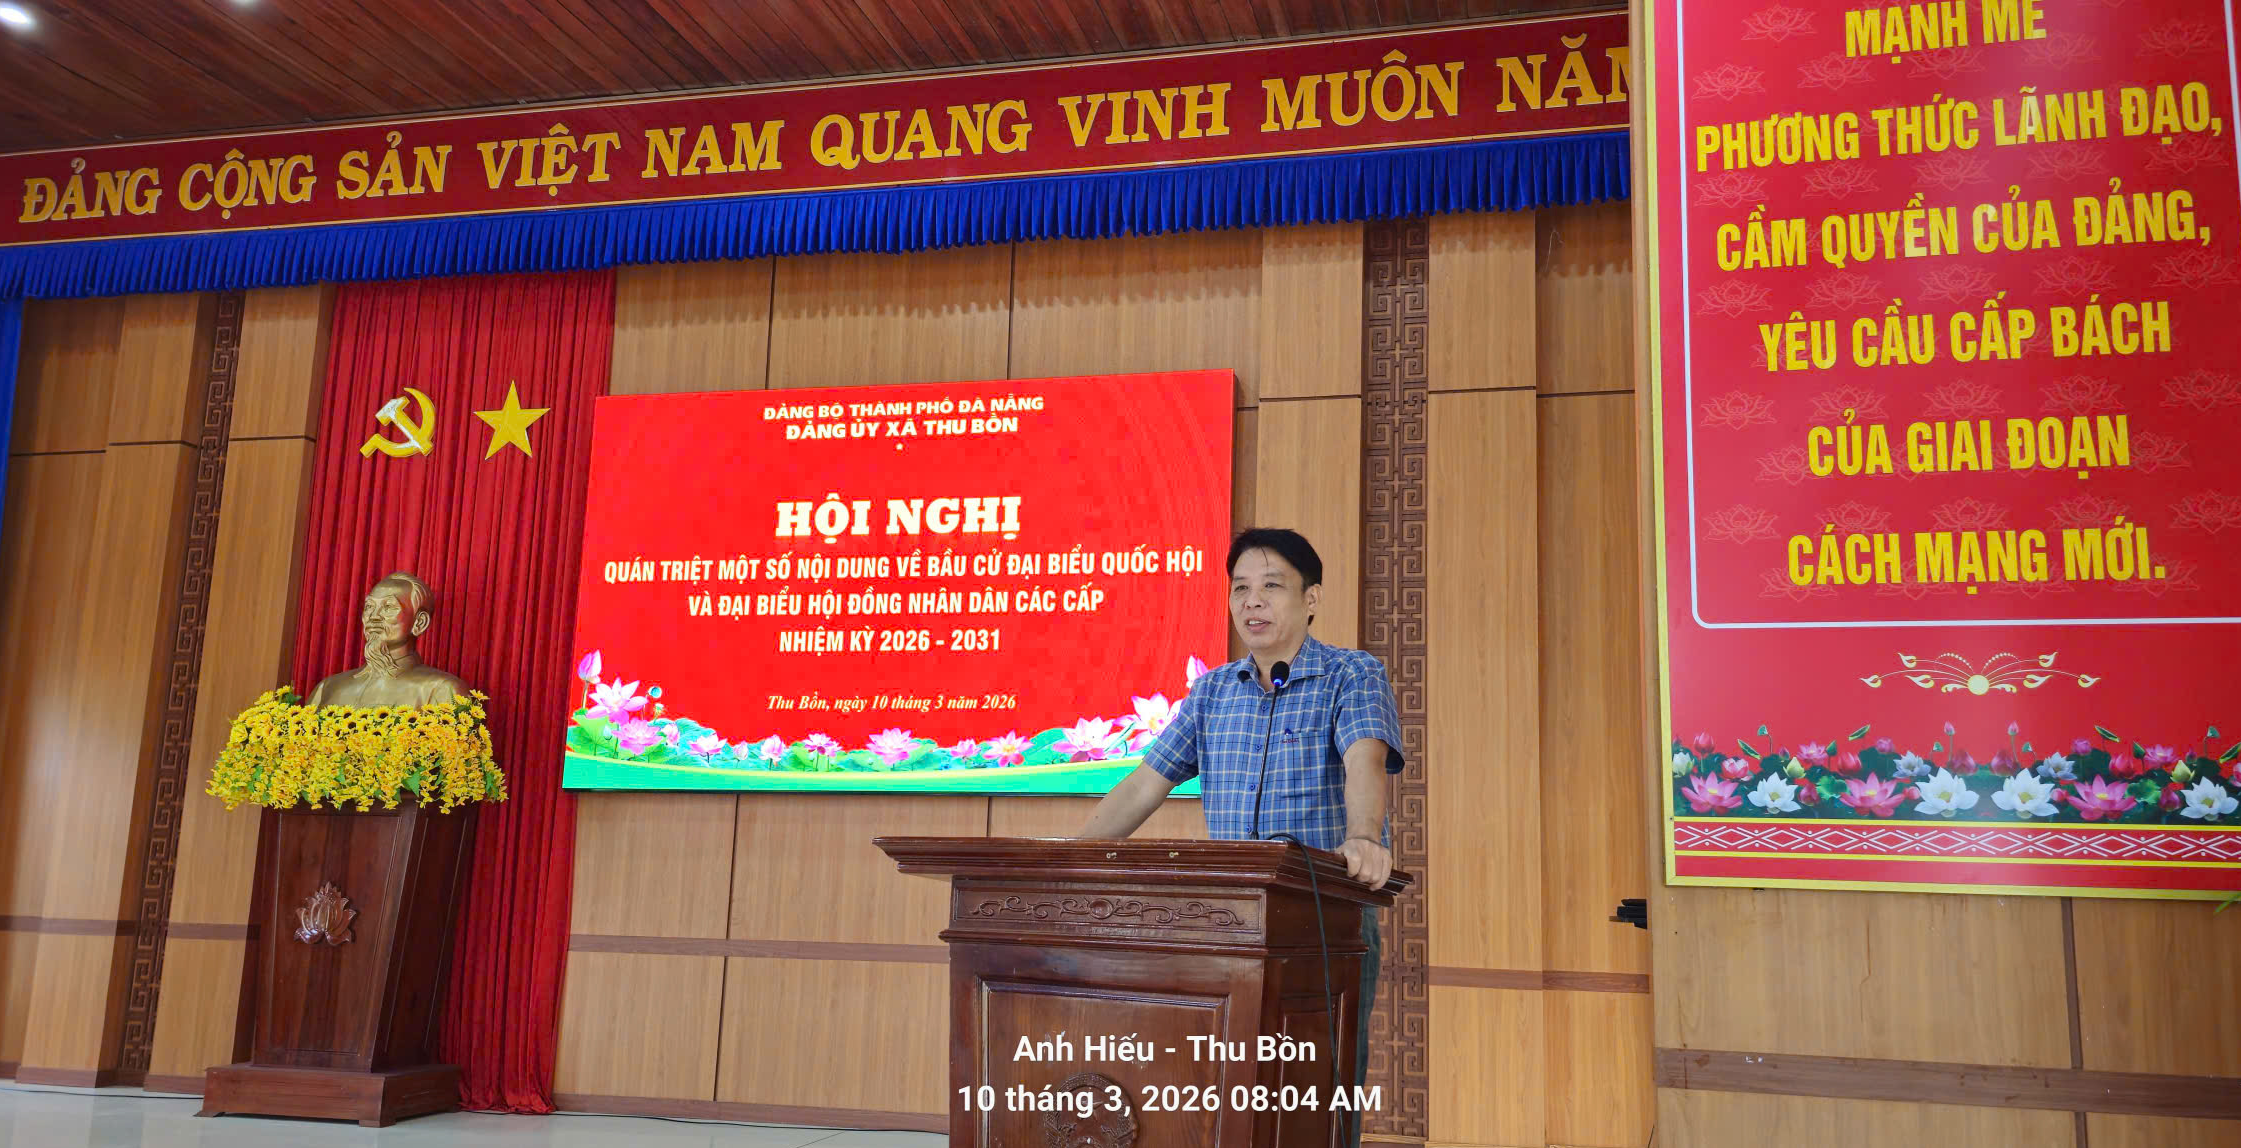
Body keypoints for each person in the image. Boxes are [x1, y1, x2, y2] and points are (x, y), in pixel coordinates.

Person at [1079, 527, 1402, 1146]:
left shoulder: (1351, 675)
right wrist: (1073, 858)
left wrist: (1364, 837)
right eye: (1240, 589)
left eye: (1271, 586)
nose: (1252, 601)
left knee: (1315, 1089)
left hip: (1323, 917)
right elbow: (1144, 785)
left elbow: (1364, 758)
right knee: (1223, 1085)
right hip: (1224, 921)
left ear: (1311, 598)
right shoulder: (1212, 692)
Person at [307, 571, 468, 708]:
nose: (374, 616)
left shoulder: (442, 691)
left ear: (419, 622)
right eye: (369, 607)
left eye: (388, 607)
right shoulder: (327, 688)